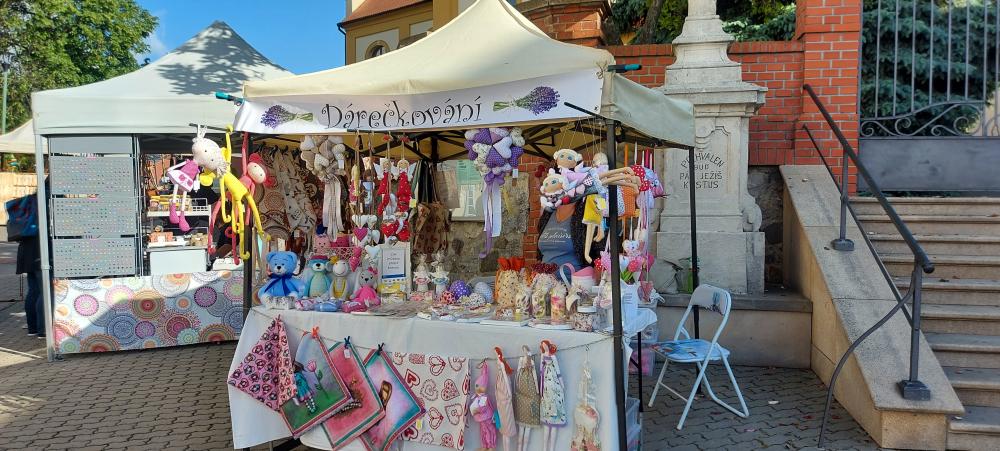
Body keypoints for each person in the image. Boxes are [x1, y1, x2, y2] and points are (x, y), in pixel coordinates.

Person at [16, 220, 42, 338]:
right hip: (40, 253)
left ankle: (32, 328)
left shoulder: (24, 210)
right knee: (44, 292)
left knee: (33, 291)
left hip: (26, 253)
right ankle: (42, 329)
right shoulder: (40, 210)